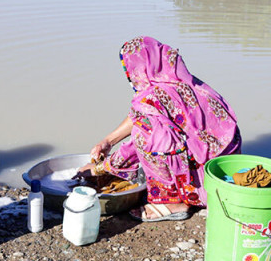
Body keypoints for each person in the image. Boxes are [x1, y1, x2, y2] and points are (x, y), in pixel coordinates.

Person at [80, 37, 241, 222]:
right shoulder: (184, 82)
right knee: (154, 132)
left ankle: (174, 203)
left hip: (207, 185)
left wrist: (98, 169)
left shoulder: (151, 98)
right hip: (226, 170)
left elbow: (138, 143)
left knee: (146, 138)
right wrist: (108, 141)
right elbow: (140, 115)